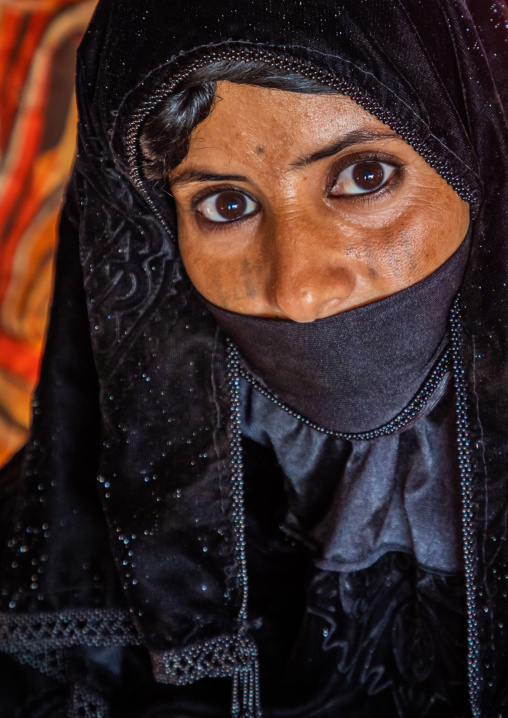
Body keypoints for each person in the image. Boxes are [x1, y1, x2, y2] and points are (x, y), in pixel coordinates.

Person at [0, 0, 507, 716]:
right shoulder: (64, 548)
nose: (298, 289)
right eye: (225, 206)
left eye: (364, 176)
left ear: (482, 159)